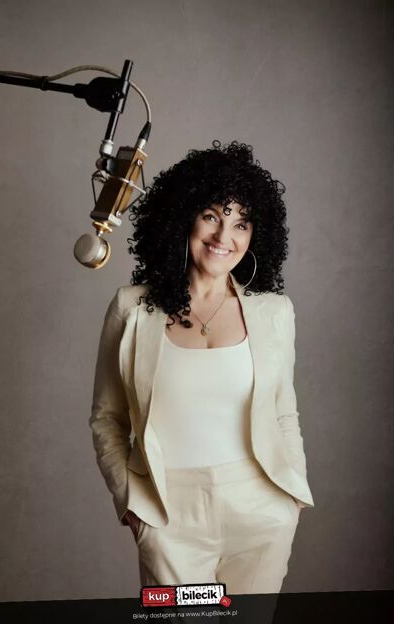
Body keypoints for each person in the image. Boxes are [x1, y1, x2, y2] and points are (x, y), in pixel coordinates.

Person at [89, 140, 315, 595]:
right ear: (183, 217)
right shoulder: (132, 309)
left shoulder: (274, 312)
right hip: (168, 515)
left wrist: (290, 499)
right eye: (212, 216)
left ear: (256, 235)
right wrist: (132, 503)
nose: (223, 236)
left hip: (259, 513)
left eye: (241, 223)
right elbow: (107, 419)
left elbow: (283, 413)